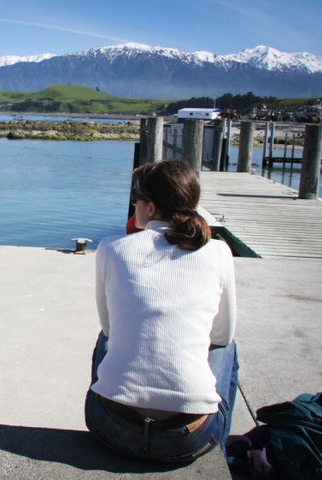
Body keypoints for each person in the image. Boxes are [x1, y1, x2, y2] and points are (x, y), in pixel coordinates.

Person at [85, 160, 238, 463]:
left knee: (108, 339)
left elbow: (110, 329)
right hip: (188, 438)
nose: (134, 206)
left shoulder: (112, 248)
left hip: (111, 428)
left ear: (151, 208)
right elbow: (222, 335)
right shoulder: (218, 252)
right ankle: (216, 455)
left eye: (136, 200)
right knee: (227, 347)